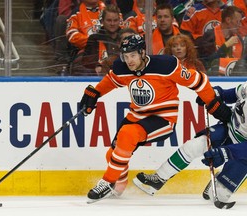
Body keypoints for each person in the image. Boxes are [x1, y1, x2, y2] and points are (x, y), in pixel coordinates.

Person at [79, 34, 232, 203]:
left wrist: (213, 103)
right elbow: (110, 81)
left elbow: (199, 80)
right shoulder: (122, 69)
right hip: (136, 115)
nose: (129, 61)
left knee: (127, 134)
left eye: (133, 55)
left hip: (163, 118)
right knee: (113, 154)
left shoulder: (166, 66)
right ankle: (118, 185)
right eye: (126, 56)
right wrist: (94, 93)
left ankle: (107, 182)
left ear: (142, 52)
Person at [133, 82, 247, 204]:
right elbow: (233, 94)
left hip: (243, 152)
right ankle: (158, 179)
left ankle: (219, 180)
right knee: (193, 146)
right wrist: (216, 94)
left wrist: (226, 152)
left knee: (216, 196)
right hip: (229, 130)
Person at [195, 5, 245, 76]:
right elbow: (206, 63)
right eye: (238, 21)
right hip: (215, 79)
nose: (240, 25)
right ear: (228, 20)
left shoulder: (239, 40)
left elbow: (242, 64)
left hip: (236, 79)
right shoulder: (210, 35)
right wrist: (225, 46)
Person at [81, 4, 123, 76]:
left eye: (115, 20)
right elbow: (87, 62)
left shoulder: (125, 37)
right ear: (102, 21)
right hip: (100, 77)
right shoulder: (94, 39)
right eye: (109, 20)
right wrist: (97, 65)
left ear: (119, 21)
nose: (112, 23)